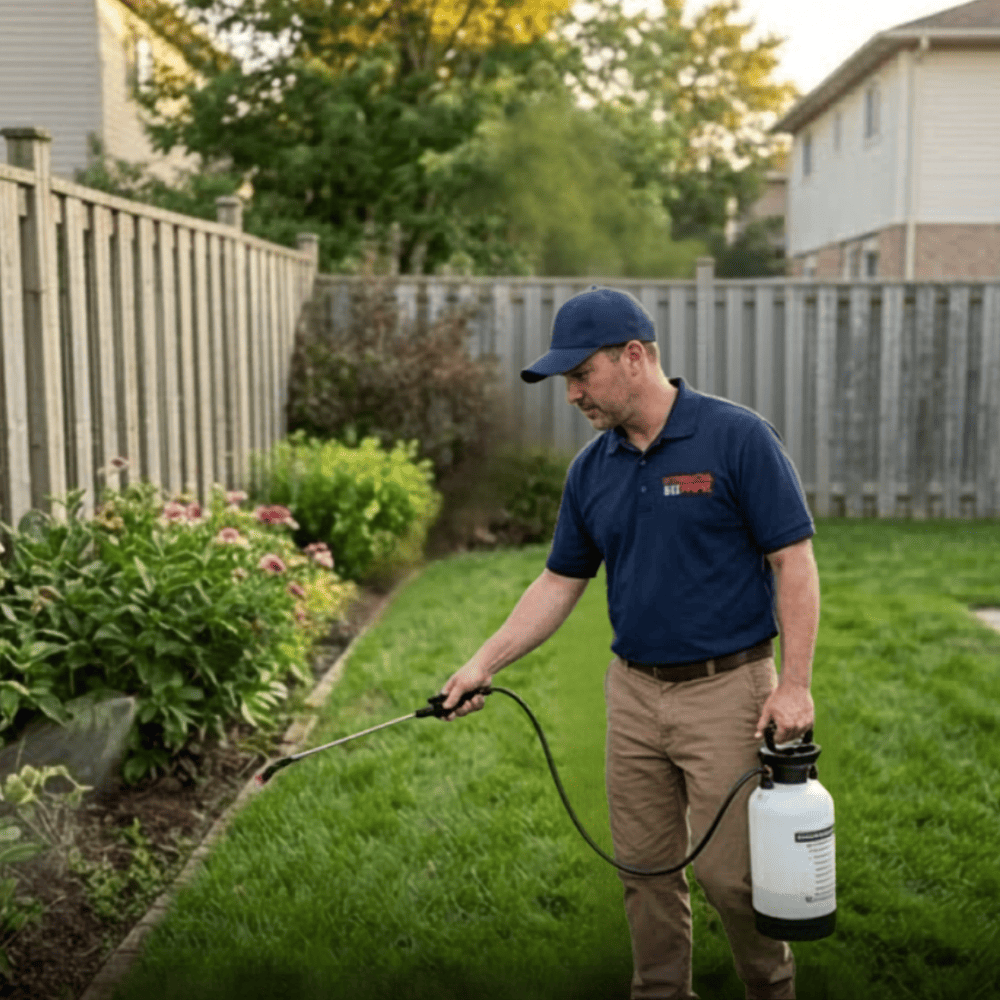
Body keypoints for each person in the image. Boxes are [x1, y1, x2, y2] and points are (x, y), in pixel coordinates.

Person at [440, 285, 820, 1000]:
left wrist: (793, 683)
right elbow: (559, 582)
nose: (572, 394)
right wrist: (482, 664)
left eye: (581, 375)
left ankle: (770, 989)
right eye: (566, 381)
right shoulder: (592, 470)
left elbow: (792, 560)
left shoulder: (735, 438)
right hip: (635, 694)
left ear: (635, 357)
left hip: (728, 689)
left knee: (732, 880)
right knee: (643, 871)